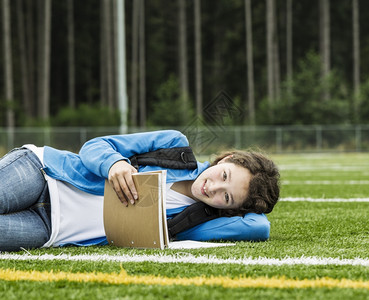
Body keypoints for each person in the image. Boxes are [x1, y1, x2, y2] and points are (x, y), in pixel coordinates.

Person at [0, 130, 280, 252]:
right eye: (224, 175)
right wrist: (114, 163)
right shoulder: (175, 145)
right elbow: (94, 146)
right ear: (225, 159)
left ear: (230, 209)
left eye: (227, 195)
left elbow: (259, 227)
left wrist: (241, 205)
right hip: (44, 174)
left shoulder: (195, 222)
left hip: (50, 229)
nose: (213, 186)